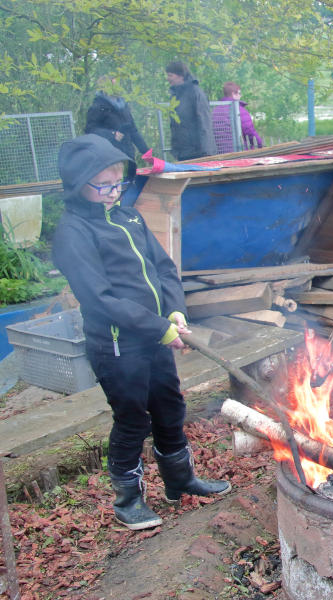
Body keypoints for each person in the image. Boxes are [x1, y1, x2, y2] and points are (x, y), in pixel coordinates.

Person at [52, 134, 230, 531]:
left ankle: (179, 479)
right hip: (117, 344)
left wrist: (175, 311)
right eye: (104, 185)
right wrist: (159, 327)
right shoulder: (73, 233)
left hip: (155, 335)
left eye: (118, 182)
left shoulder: (129, 217)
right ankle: (128, 500)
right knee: (132, 418)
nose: (114, 192)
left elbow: (163, 268)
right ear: (79, 184)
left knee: (170, 407)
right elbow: (100, 298)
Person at [84, 76, 151, 168]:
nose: (117, 88)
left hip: (128, 155)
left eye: (117, 85)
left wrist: (146, 152)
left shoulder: (124, 106)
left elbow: (133, 130)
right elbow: (90, 130)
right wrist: (112, 134)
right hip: (109, 157)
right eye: (113, 85)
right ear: (105, 88)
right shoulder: (98, 107)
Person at [164, 61, 216, 161]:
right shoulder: (175, 95)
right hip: (183, 153)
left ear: (181, 76)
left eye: (170, 75)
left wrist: (207, 152)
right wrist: (176, 150)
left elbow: (204, 122)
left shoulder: (195, 92)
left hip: (198, 152)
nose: (168, 78)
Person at [212, 81, 263, 153]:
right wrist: (260, 144)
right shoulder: (239, 110)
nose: (240, 96)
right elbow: (249, 131)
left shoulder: (215, 111)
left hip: (219, 153)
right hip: (236, 152)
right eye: (239, 93)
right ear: (233, 94)